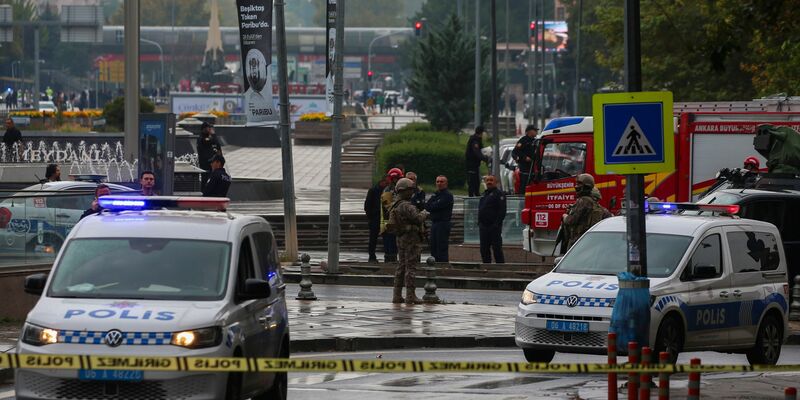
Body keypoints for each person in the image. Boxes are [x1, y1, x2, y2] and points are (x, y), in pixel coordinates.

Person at [386, 178, 429, 304]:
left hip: (401, 237)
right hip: (411, 238)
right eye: (410, 190)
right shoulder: (406, 205)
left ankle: (397, 295)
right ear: (404, 191)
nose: (412, 192)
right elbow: (417, 218)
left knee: (401, 266)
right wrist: (424, 213)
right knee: (411, 267)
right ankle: (411, 295)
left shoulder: (396, 204)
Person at [562, 174, 610, 250]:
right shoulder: (594, 203)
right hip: (588, 241)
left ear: (586, 186)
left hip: (578, 241)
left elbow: (571, 220)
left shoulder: (583, 201)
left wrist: (564, 216)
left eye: (579, 184)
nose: (576, 186)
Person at [425, 175, 454, 263]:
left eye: (442, 182)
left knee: (441, 247)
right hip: (434, 223)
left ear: (446, 183)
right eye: (437, 181)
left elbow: (435, 206)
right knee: (433, 247)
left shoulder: (448, 195)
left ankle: (443, 266)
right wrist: (433, 205)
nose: (439, 183)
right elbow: (427, 206)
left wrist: (433, 205)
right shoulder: (436, 194)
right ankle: (434, 265)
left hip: (443, 223)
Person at [478, 175, 506, 264]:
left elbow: (502, 211)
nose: (489, 182)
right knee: (484, 249)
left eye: (491, 180)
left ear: (496, 182)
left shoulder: (499, 194)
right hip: (483, 227)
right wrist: (479, 222)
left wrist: (496, 224)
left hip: (494, 227)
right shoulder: (484, 194)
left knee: (497, 249)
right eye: (487, 180)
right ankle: (486, 266)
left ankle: (500, 268)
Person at [380, 168, 403, 262]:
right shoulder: (388, 190)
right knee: (391, 243)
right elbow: (388, 205)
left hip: (393, 220)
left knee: (393, 243)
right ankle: (390, 261)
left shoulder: (397, 189)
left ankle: (391, 259)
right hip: (390, 220)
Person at [365, 175, 390, 263]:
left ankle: (388, 255)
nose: (388, 185)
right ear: (382, 182)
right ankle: (372, 256)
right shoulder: (373, 190)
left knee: (387, 238)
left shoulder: (387, 191)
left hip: (384, 218)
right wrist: (371, 217)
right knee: (373, 238)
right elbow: (367, 205)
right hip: (375, 218)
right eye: (386, 183)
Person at [512, 125, 539, 194]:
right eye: (535, 130)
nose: (536, 132)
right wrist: (524, 158)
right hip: (525, 169)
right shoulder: (523, 140)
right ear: (529, 131)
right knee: (524, 187)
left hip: (533, 168)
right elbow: (515, 152)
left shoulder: (536, 141)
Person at [197, 121, 223, 192]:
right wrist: (213, 135)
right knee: (205, 179)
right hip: (205, 164)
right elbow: (211, 141)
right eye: (208, 128)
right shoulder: (202, 138)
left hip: (211, 163)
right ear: (204, 129)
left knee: (212, 179)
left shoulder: (209, 137)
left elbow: (217, 144)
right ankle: (203, 193)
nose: (210, 129)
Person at [465, 126, 488, 197]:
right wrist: (484, 159)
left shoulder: (477, 139)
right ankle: (472, 196)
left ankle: (476, 194)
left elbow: (480, 150)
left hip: (474, 164)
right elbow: (477, 152)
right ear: (481, 133)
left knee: (476, 180)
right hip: (471, 164)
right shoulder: (475, 140)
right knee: (472, 181)